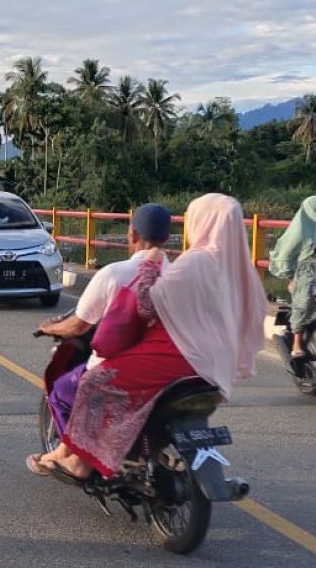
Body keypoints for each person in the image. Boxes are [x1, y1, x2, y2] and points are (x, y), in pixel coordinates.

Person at [39, 194, 267, 480]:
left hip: (180, 354)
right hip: (216, 364)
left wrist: (150, 263)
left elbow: (150, 301)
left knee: (96, 381)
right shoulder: (239, 272)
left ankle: (78, 462)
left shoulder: (196, 262)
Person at [26, 203, 172, 475]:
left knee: (61, 390)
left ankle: (76, 458)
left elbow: (79, 325)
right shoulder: (178, 275)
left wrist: (50, 328)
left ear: (132, 234)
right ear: (166, 237)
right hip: (170, 367)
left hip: (123, 368)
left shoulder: (114, 274)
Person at [268, 195, 316, 358]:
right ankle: (297, 341)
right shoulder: (302, 230)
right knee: (304, 300)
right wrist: (291, 277)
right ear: (315, 210)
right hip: (308, 271)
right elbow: (284, 254)